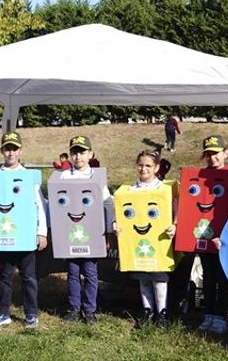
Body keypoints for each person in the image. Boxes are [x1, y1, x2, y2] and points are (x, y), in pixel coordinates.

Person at [0, 132, 48, 329]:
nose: (10, 152)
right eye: (7, 148)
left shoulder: (29, 177)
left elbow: (40, 205)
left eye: (14, 148)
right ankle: (3, 312)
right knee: (4, 276)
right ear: (2, 150)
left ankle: (31, 313)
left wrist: (42, 232)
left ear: (20, 150)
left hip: (26, 236)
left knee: (28, 276)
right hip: (3, 236)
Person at [57, 135, 114, 325]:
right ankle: (74, 308)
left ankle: (89, 310)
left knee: (90, 272)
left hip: (92, 234)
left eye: (82, 152)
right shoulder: (64, 175)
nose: (78, 156)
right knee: (73, 272)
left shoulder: (96, 176)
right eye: (74, 152)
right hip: (70, 235)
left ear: (90, 154)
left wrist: (108, 231)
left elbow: (108, 203)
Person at [122, 150, 176, 328]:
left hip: (160, 242)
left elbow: (177, 210)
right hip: (139, 242)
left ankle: (162, 312)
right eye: (141, 165)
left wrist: (175, 225)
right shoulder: (130, 190)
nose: (143, 169)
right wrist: (117, 224)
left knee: (159, 278)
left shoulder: (164, 189)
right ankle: (147, 310)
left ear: (157, 167)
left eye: (148, 165)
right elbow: (122, 212)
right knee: (143, 277)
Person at [194, 135, 228, 335]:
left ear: (226, 153)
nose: (212, 158)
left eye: (216, 153)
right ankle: (209, 314)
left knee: (223, 277)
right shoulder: (200, 175)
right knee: (208, 276)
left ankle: (221, 317)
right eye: (208, 154)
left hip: (226, 237)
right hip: (204, 234)